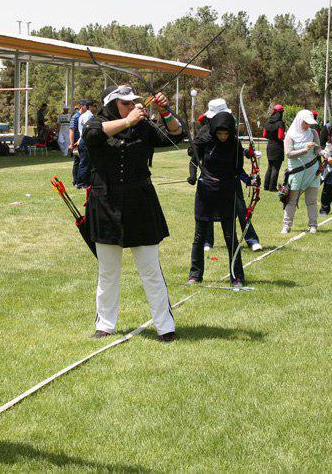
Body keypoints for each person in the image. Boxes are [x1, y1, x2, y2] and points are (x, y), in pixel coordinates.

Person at [82, 85, 183, 342]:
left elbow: (176, 134)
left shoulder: (143, 125)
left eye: (133, 102)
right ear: (112, 104)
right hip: (106, 204)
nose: (132, 106)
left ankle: (165, 326)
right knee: (108, 271)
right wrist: (127, 121)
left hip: (140, 203)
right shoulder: (97, 122)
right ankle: (105, 324)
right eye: (125, 103)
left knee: (150, 271)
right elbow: (91, 135)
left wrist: (166, 111)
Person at [188, 110, 255, 287]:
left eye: (226, 133)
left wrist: (250, 180)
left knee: (230, 236)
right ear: (214, 131)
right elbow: (194, 160)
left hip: (226, 192)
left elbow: (238, 170)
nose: (223, 137)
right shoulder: (205, 140)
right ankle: (195, 275)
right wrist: (193, 176)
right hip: (206, 191)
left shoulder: (234, 144)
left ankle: (237, 276)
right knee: (200, 236)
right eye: (220, 133)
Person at [189, 99, 262, 252]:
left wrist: (248, 155)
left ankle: (251, 239)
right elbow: (193, 152)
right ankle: (207, 241)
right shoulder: (204, 131)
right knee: (207, 211)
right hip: (210, 179)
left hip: (230, 179)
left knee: (241, 208)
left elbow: (234, 152)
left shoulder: (229, 128)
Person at [282, 110, 326, 233]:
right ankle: (287, 226)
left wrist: (324, 153)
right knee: (291, 200)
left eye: (309, 123)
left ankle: (313, 225)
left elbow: (317, 149)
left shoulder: (313, 133)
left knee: (312, 200)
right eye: (306, 123)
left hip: (313, 170)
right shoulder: (290, 135)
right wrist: (305, 149)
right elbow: (289, 154)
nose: (308, 126)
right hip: (296, 172)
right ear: (299, 121)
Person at [262, 104, 285, 191]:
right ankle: (272, 187)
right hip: (277, 147)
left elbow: (264, 135)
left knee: (270, 167)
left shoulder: (268, 122)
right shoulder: (280, 123)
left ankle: (266, 186)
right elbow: (280, 136)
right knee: (276, 168)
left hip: (269, 146)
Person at [69, 101, 86, 185]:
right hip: (76, 144)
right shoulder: (76, 117)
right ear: (82, 107)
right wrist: (72, 144)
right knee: (77, 162)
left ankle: (80, 180)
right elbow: (71, 130)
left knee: (82, 162)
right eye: (87, 106)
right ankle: (75, 181)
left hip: (82, 143)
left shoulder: (84, 116)